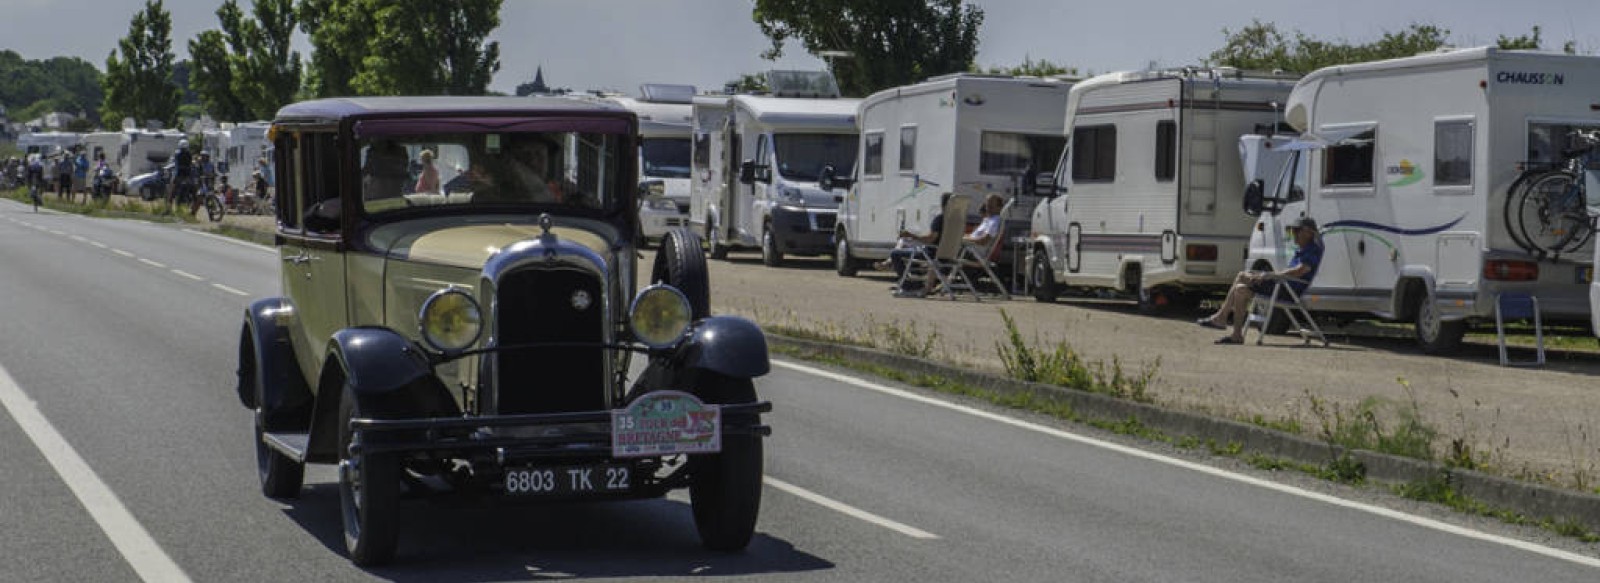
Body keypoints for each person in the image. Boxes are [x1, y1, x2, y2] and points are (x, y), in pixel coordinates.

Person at [1199, 216, 1323, 344]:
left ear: (1308, 232)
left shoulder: (1312, 250)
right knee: (1240, 289)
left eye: (1297, 231)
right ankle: (1236, 334)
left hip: (1286, 290)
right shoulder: (1304, 249)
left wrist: (1270, 276)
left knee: (1242, 276)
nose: (1293, 235)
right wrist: (1269, 275)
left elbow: (1300, 271)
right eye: (1292, 231)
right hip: (1282, 286)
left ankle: (1221, 318)